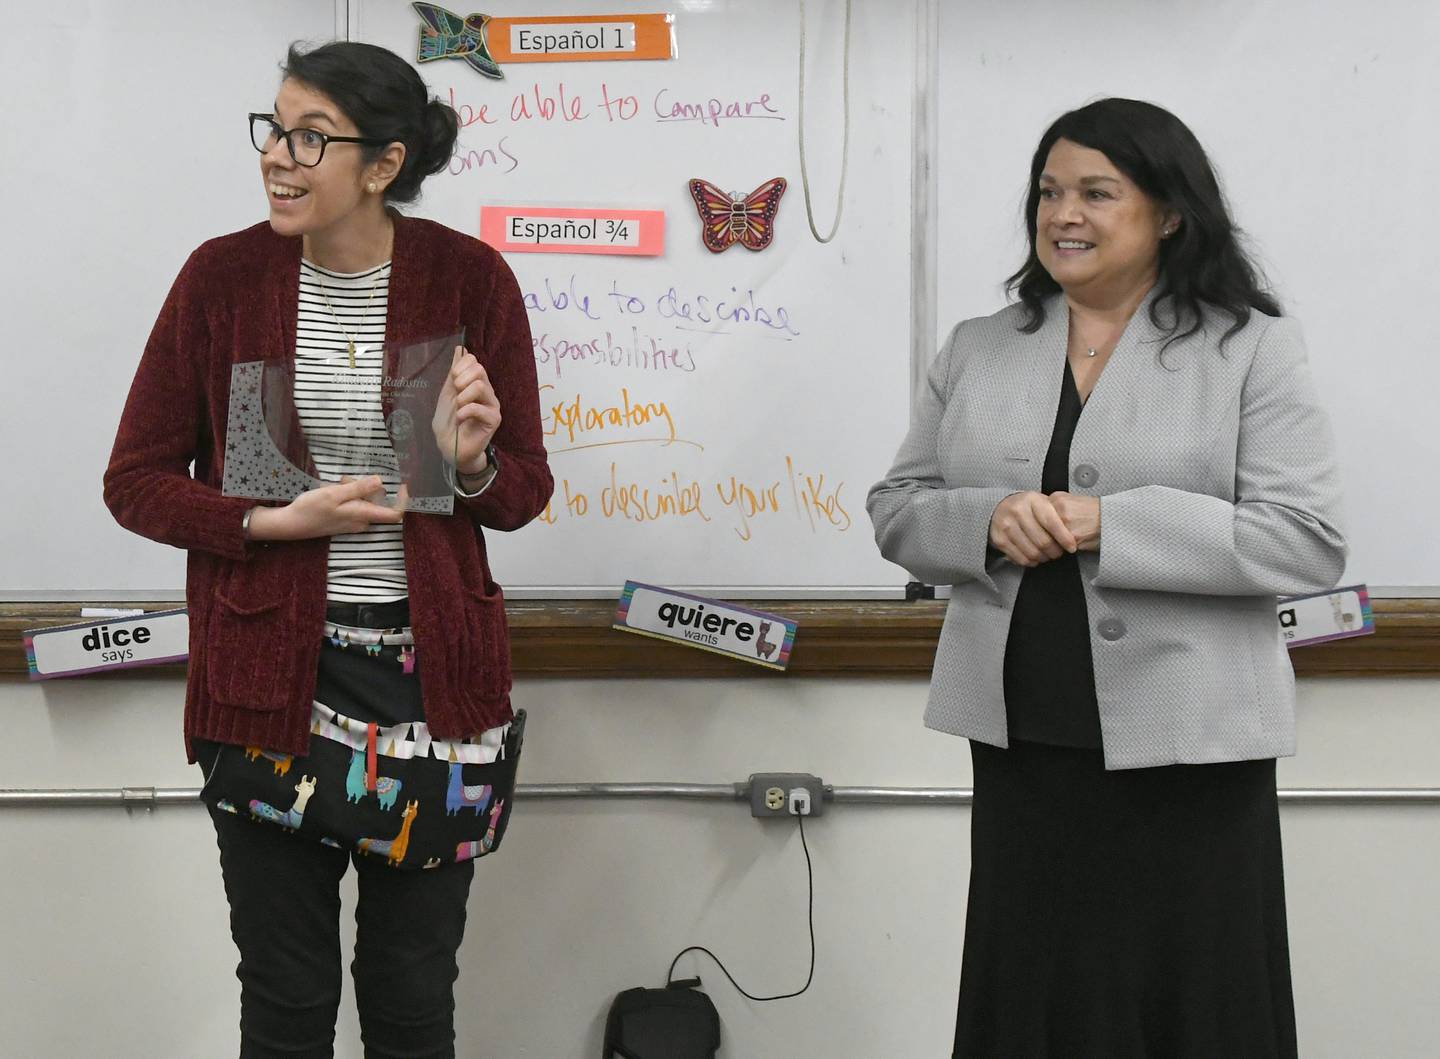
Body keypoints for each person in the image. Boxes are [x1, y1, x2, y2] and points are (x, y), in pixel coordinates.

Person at [867, 98, 1345, 1057]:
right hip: (1026, 733)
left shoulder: (1248, 346)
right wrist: (987, 520)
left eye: (1096, 191)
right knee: (1037, 994)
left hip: (1194, 746)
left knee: (1191, 998)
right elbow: (900, 507)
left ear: (1169, 211)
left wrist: (1112, 524)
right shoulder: (979, 345)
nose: (1063, 214)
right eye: (1049, 192)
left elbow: (1305, 538)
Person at [103, 41, 552, 1058]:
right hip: (266, 682)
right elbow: (135, 480)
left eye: (310, 137)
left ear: (383, 165)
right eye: (273, 128)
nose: (278, 156)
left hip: (432, 687)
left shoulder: (465, 279)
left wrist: (471, 466)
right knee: (288, 1005)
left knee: (408, 1005)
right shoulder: (227, 279)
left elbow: (519, 493)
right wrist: (267, 522)